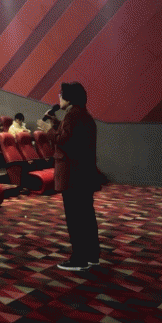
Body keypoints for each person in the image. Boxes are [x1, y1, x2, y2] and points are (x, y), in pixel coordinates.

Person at [37, 82, 101, 271]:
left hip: (73, 175)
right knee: (86, 216)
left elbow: (64, 141)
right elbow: (70, 135)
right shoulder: (83, 115)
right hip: (84, 174)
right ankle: (92, 255)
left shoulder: (72, 115)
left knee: (75, 218)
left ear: (69, 98)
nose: (59, 98)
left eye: (61, 94)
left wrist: (47, 129)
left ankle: (79, 259)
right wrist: (55, 123)